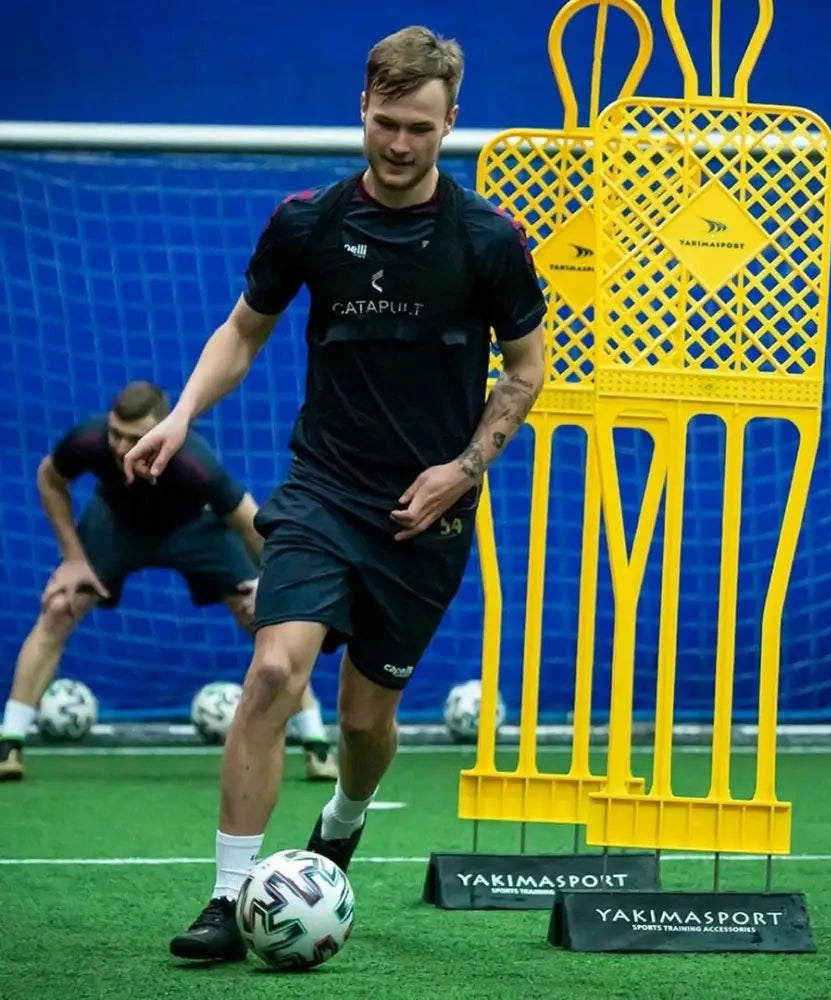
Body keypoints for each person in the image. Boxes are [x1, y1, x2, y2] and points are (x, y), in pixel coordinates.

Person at [123, 25, 547, 963]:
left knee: (366, 720)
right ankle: (230, 901)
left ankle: (345, 819)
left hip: (426, 513)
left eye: (422, 130)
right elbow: (243, 331)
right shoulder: (307, 223)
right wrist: (182, 412)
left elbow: (525, 369)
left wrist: (462, 470)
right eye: (388, 123)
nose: (401, 146)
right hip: (322, 486)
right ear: (362, 107)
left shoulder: (487, 240)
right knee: (276, 668)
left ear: (451, 124)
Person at [0, 380, 339, 784]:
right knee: (59, 605)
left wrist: (269, 583)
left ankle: (316, 742)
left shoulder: (195, 464)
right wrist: (73, 558)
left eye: (135, 438)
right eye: (116, 434)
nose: (121, 448)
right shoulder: (88, 441)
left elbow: (251, 523)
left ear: (164, 432)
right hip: (116, 526)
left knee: (261, 617)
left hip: (195, 528)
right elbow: (50, 479)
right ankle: (10, 741)